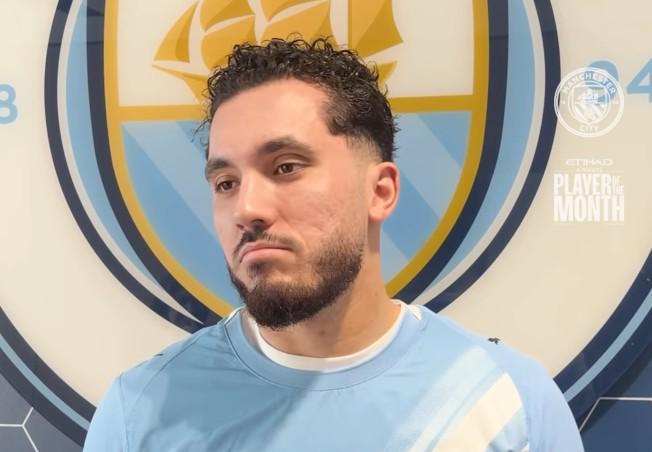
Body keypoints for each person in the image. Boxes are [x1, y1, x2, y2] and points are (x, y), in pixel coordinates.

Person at [83, 38, 584, 451]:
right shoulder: (140, 413)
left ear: (380, 191)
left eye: (286, 167)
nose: (246, 209)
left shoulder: (507, 402)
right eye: (225, 183)